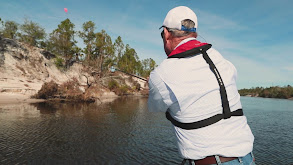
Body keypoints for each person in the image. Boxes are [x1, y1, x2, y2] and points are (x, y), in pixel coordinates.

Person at [148, 6, 255, 165]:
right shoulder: (224, 62)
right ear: (194, 34)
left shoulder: (162, 74)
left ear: (166, 33)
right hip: (247, 159)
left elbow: (155, 108)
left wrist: (151, 84)